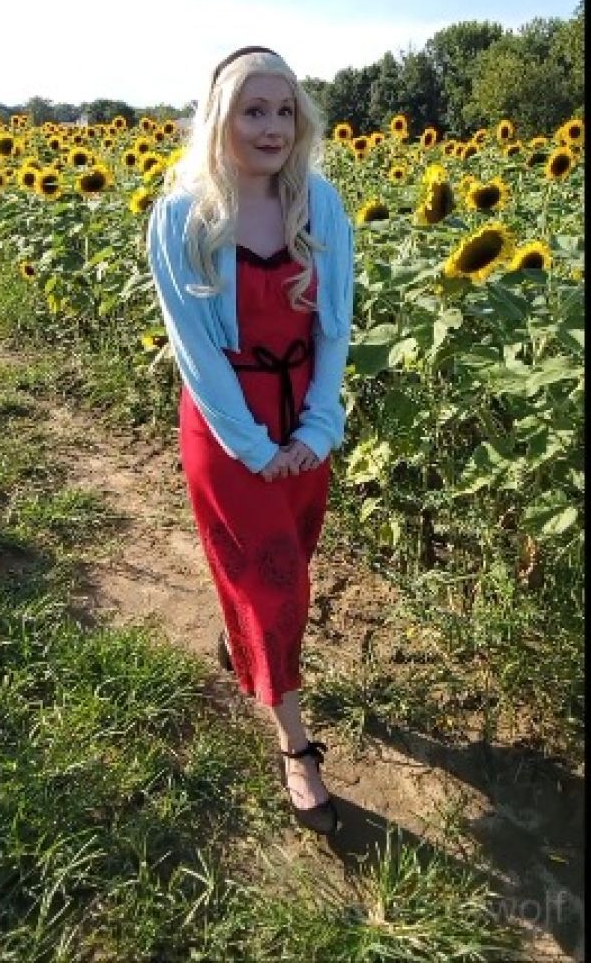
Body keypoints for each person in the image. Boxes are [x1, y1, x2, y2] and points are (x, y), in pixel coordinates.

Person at [145, 46, 356, 835]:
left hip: (304, 418)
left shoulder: (319, 202)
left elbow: (334, 322)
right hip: (228, 427)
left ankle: (245, 642)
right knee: (277, 586)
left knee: (289, 558)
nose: (272, 127)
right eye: (252, 110)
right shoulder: (183, 215)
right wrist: (255, 446)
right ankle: (297, 750)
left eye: (284, 111)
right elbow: (195, 351)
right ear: (220, 118)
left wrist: (318, 422)